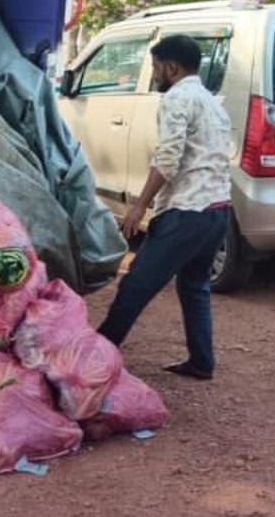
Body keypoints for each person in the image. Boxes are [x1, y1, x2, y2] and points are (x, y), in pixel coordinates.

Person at [97, 35, 232, 380]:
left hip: (187, 210)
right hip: (217, 210)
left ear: (171, 68)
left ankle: (95, 359)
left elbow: (167, 159)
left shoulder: (177, 98)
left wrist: (139, 206)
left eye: (156, 67)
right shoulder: (212, 101)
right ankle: (202, 361)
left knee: (136, 285)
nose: (155, 74)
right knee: (194, 287)